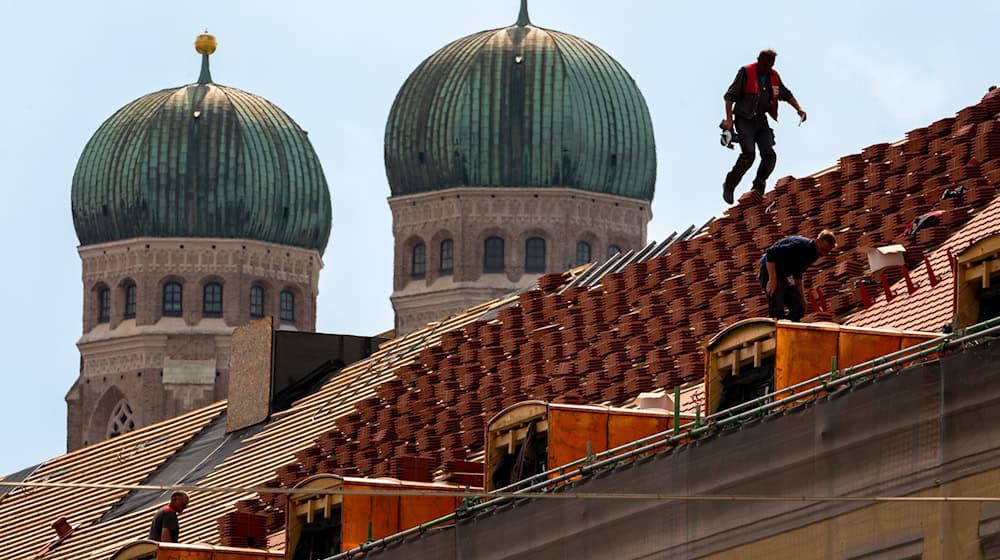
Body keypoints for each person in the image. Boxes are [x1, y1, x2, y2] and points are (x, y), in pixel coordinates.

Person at [722, 49, 808, 204]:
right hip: (744, 118)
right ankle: (729, 184)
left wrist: (799, 109)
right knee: (749, 155)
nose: (767, 68)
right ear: (759, 60)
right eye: (765, 64)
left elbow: (786, 94)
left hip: (760, 119)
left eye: (770, 65)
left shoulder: (773, 77)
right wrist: (729, 120)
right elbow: (729, 97)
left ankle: (758, 188)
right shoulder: (746, 72)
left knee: (769, 155)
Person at [758, 230, 837, 321]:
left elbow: (797, 274)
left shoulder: (813, 254)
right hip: (769, 270)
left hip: (782, 275)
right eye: (822, 250)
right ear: (817, 241)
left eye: (827, 252)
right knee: (777, 307)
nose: (823, 254)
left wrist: (802, 298)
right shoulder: (801, 246)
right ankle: (776, 329)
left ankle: (789, 328)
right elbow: (771, 253)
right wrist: (772, 279)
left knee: (799, 307)